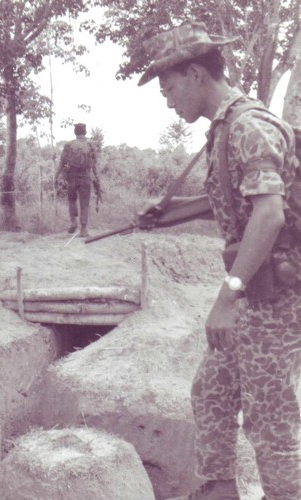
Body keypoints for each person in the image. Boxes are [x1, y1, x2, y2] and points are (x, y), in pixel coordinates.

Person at [137, 22, 301, 500]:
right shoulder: (225, 128)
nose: (168, 100)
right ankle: (218, 490)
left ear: (194, 75)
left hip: (277, 298)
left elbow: (268, 215)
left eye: (168, 89)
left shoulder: (250, 126)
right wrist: (166, 215)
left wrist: (226, 297)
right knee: (210, 391)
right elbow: (232, 197)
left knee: (270, 418)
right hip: (255, 293)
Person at [55, 123, 100, 238]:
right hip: (85, 177)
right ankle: (83, 229)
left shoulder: (69, 145)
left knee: (72, 200)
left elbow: (62, 162)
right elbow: (94, 166)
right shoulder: (91, 145)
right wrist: (97, 180)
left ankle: (73, 222)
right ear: (85, 132)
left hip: (72, 177)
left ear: (75, 132)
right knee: (84, 203)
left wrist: (56, 176)